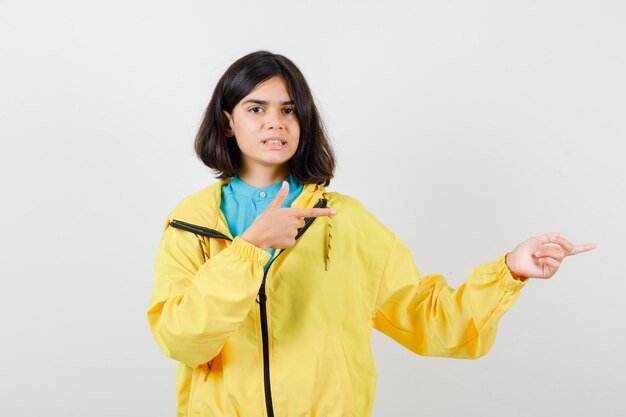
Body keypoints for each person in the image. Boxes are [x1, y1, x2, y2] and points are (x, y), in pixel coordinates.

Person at [146, 50, 597, 417]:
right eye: (255, 108)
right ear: (228, 121)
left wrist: (509, 271)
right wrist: (250, 248)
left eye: (289, 110)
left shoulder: (345, 222)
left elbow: (432, 321)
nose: (274, 122)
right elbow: (182, 338)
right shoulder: (190, 224)